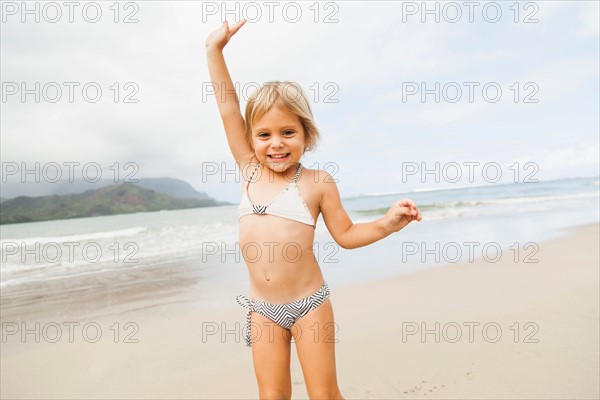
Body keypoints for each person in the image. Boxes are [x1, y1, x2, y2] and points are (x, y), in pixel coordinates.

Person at [205, 20, 422, 400]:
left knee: (323, 394)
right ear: (250, 138)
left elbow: (347, 234)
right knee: (271, 395)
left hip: (310, 306)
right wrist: (214, 50)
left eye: (288, 133)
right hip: (262, 310)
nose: (276, 144)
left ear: (307, 134)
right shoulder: (249, 168)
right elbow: (227, 108)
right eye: (264, 135)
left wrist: (388, 224)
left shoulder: (318, 182)